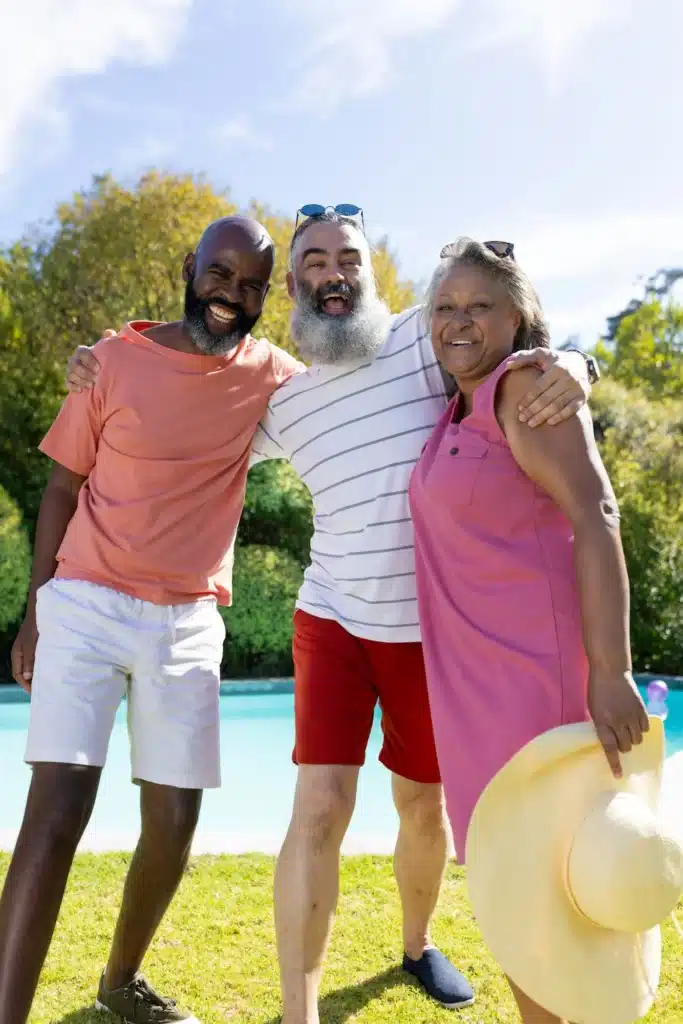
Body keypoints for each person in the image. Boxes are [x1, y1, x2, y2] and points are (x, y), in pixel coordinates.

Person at [65, 210, 593, 1024]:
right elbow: (180, 397)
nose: (333, 272)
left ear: (370, 271)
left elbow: (512, 336)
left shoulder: (427, 337)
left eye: (348, 257)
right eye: (315, 261)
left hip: (429, 628)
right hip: (332, 621)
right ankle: (297, 1011)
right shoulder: (276, 396)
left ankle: (417, 946)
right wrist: (103, 365)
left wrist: (577, 364)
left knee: (423, 805)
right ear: (294, 285)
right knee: (319, 806)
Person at [0, 216, 301, 1024]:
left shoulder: (272, 373)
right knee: (57, 809)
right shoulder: (112, 361)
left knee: (174, 818)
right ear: (189, 266)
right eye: (219, 273)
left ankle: (119, 982)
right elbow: (62, 491)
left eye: (249, 284)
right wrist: (35, 614)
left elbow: (357, 388)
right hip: (87, 602)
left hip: (188, 618)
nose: (230, 294)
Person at [408, 237, 649, 1022]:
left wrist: (609, 670)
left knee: (542, 902)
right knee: (516, 896)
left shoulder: (523, 389)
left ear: (518, 317)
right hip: (474, 695)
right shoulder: (456, 403)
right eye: (444, 306)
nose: (458, 321)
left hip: (533, 686)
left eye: (480, 305)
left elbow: (596, 512)